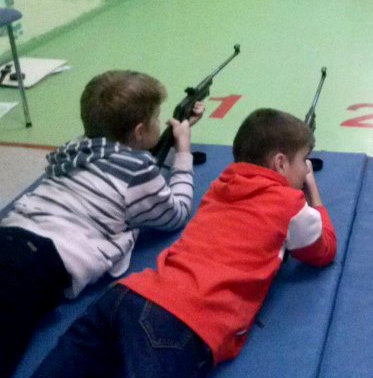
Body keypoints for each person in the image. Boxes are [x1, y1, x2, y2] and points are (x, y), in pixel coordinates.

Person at [31, 108, 337, 378]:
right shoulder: (290, 203)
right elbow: (323, 250)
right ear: (280, 163)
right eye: (304, 161)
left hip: (127, 295)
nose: (305, 169)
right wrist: (313, 192)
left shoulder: (220, 186)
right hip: (181, 321)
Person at [0, 70, 203, 377]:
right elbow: (176, 212)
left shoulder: (79, 146)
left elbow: (127, 164)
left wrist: (168, 144)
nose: (160, 122)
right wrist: (183, 152)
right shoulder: (137, 172)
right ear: (138, 132)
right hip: (36, 261)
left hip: (13, 234)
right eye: (156, 118)